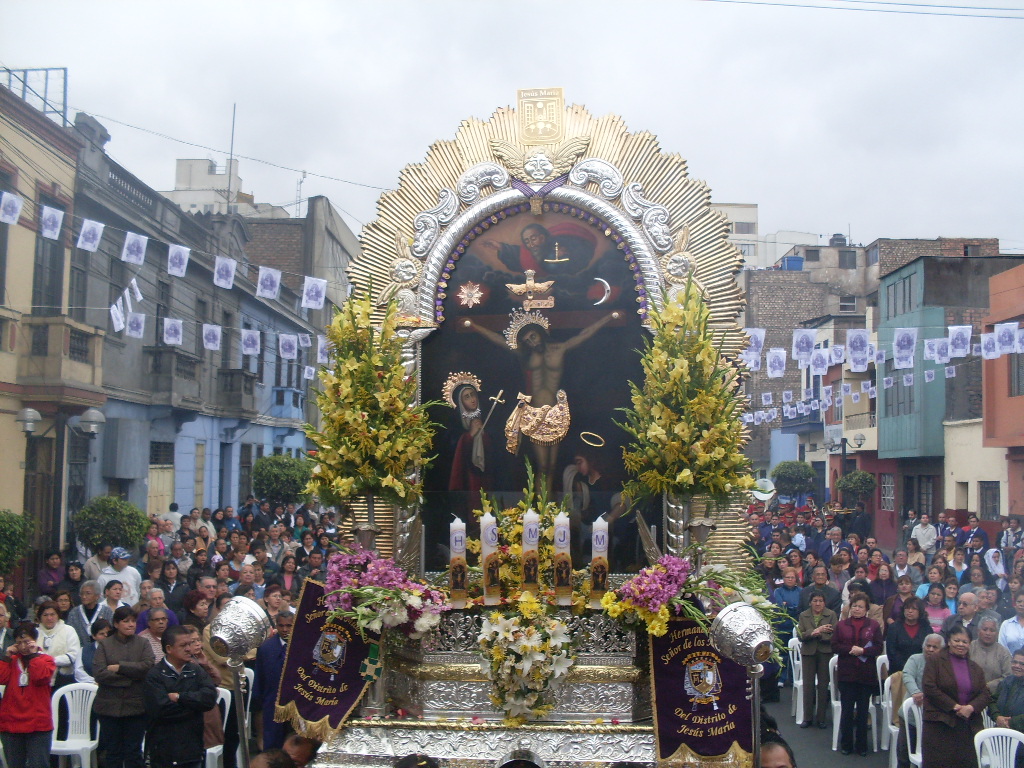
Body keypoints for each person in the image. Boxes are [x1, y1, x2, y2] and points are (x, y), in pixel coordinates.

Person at [143, 624, 218, 768]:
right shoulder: (155, 675)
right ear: (169, 649)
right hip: (164, 749)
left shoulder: (195, 670)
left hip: (192, 746)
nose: (189, 649)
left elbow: (209, 699)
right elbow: (160, 709)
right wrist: (194, 706)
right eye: (183, 645)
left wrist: (180, 697)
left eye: (190, 644)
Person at [93, 605, 156, 768]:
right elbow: (99, 674)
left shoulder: (143, 643)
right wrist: (131, 677)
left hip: (136, 706)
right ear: (116, 624)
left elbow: (148, 667)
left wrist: (120, 667)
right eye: (125, 621)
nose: (130, 625)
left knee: (133, 752)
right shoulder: (105, 645)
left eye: (133, 621)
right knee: (113, 752)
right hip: (109, 706)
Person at [921, 624, 991, 768]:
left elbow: (985, 694)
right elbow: (929, 687)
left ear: (969, 644)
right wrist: (954, 706)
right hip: (940, 724)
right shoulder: (935, 661)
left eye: (965, 642)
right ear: (948, 642)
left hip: (967, 725)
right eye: (957, 641)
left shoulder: (975, 668)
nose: (961, 644)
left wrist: (971, 708)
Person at [832, 591, 883, 755]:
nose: (857, 609)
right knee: (847, 711)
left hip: (866, 675)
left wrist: (863, 651)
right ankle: (846, 744)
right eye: (854, 606)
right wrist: (850, 650)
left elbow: (878, 648)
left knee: (862, 712)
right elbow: (835, 646)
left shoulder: (873, 625)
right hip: (846, 675)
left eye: (860, 607)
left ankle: (862, 746)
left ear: (866, 609)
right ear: (850, 607)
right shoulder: (841, 625)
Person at [0, 622, 57, 768]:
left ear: (35, 640)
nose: (23, 646)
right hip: (11, 722)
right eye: (19, 643)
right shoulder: (11, 661)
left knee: (39, 764)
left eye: (27, 641)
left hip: (38, 723)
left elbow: (40, 677)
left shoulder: (46, 659)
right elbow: (2, 678)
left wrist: (33, 656)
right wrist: (6, 657)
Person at [253, 612, 294, 750]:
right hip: (272, 701)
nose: (284, 629)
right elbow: (260, 678)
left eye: (289, 626)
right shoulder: (266, 648)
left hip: (296, 703)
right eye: (281, 625)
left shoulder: (301, 646)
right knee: (273, 744)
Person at [796, 590, 836, 729]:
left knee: (823, 685)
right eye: (815, 601)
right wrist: (815, 632)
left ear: (824, 602)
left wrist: (820, 635)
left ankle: (821, 718)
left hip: (825, 652)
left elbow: (833, 635)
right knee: (808, 685)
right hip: (808, 652)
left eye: (820, 601)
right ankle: (807, 717)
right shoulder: (803, 615)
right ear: (810, 603)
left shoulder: (831, 614)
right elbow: (801, 635)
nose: (817, 604)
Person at [35, 599, 80, 688]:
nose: (49, 618)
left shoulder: (68, 630)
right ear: (40, 617)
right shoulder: (35, 633)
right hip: (39, 680)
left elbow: (74, 655)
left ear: (58, 615)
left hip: (63, 679)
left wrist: (50, 661)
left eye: (52, 614)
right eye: (45, 615)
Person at [971, 615, 1011, 693]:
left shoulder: (1003, 652)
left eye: (992, 630)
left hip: (994, 697)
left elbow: (1008, 676)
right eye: (985, 629)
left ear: (997, 633)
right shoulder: (970, 648)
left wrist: (989, 686)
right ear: (978, 631)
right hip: (969, 693)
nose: (988, 633)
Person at [888, 597, 926, 673]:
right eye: (907, 608)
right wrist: (907, 667)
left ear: (920, 611)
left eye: (914, 609)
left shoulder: (926, 628)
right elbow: (891, 652)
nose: (910, 611)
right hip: (898, 671)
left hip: (920, 670)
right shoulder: (894, 628)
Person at [989, 648, 1024, 733]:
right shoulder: (1006, 681)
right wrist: (997, 717)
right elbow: (992, 701)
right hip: (1001, 731)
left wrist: (1010, 722)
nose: (1017, 666)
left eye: (1022, 664)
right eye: (1014, 662)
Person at [66, 580, 111, 645]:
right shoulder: (74, 613)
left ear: (97, 596)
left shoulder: (107, 611)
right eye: (82, 594)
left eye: (88, 593)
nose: (84, 596)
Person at [73, 617, 111, 683]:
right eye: (102, 634)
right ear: (94, 636)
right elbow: (78, 671)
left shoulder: (118, 649)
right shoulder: (84, 650)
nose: (106, 635)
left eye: (108, 633)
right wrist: (94, 682)